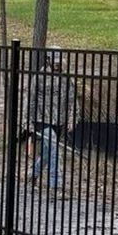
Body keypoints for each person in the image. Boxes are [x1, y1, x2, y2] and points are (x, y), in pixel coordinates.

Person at [25, 50, 79, 193]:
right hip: (41, 119)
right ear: (48, 60)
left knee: (48, 151)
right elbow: (30, 99)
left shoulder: (66, 78)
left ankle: (33, 174)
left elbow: (72, 101)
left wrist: (72, 118)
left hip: (59, 120)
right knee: (55, 147)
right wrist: (27, 121)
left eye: (60, 61)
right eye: (55, 61)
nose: (58, 64)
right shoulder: (40, 77)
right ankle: (56, 185)